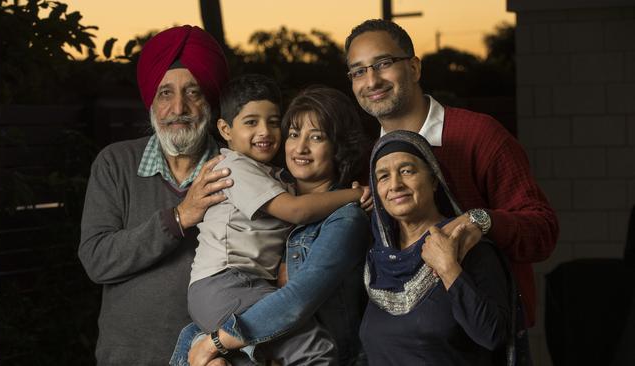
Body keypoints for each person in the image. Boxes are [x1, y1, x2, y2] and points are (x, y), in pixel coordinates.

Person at [344, 19, 559, 326]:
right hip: (402, 345)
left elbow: (543, 232)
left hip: (482, 341)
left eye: (384, 63)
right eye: (359, 71)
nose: (372, 80)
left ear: (415, 68)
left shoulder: (479, 135)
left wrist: (481, 221)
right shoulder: (368, 164)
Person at [178, 86, 372, 366]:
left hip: (334, 352)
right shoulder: (273, 191)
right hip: (228, 288)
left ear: (339, 147)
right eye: (294, 134)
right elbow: (298, 211)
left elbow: (297, 299)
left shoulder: (345, 218)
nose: (300, 147)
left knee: (316, 353)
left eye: (316, 137)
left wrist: (214, 343)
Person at [79, 25, 233, 365]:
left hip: (213, 360)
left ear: (209, 99)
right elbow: (97, 259)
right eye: (165, 93)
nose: (179, 107)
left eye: (192, 92)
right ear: (151, 100)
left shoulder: (235, 169)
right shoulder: (115, 164)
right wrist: (179, 217)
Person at [360, 129, 513, 365]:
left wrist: (448, 267)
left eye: (407, 171)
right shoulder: (377, 261)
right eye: (383, 176)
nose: (395, 184)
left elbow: (493, 335)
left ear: (433, 180)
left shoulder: (468, 245)